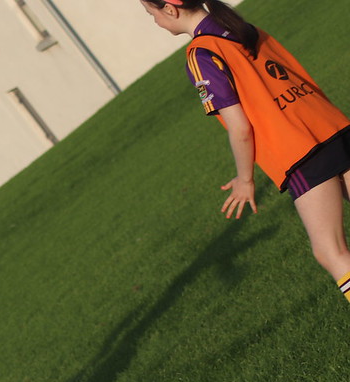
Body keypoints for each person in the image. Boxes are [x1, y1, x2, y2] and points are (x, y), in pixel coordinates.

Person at [140, 0, 350, 301]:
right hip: (335, 127)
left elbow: (240, 128)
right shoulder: (241, 28)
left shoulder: (201, 54)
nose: (155, 22)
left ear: (171, 10)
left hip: (300, 152)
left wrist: (245, 180)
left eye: (152, 15)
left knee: (332, 252)